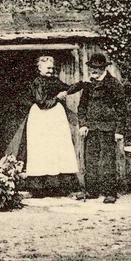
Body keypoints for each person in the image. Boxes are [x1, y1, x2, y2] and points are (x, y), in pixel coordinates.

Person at [22, 55, 80, 195]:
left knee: (58, 148)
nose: (50, 70)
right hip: (41, 117)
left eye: (52, 68)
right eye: (48, 68)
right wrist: (58, 97)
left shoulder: (54, 80)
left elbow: (67, 88)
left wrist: (82, 84)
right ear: (39, 67)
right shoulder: (37, 82)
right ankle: (39, 189)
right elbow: (42, 103)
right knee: (42, 149)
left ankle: (59, 187)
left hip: (55, 117)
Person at [76, 52, 128, 203]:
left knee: (107, 161)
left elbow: (122, 109)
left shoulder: (113, 84)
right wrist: (83, 124)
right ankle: (91, 191)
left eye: (97, 67)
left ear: (104, 68)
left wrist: (119, 130)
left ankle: (110, 192)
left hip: (108, 128)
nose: (93, 70)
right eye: (92, 67)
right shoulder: (88, 85)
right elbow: (82, 107)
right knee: (90, 160)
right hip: (91, 129)